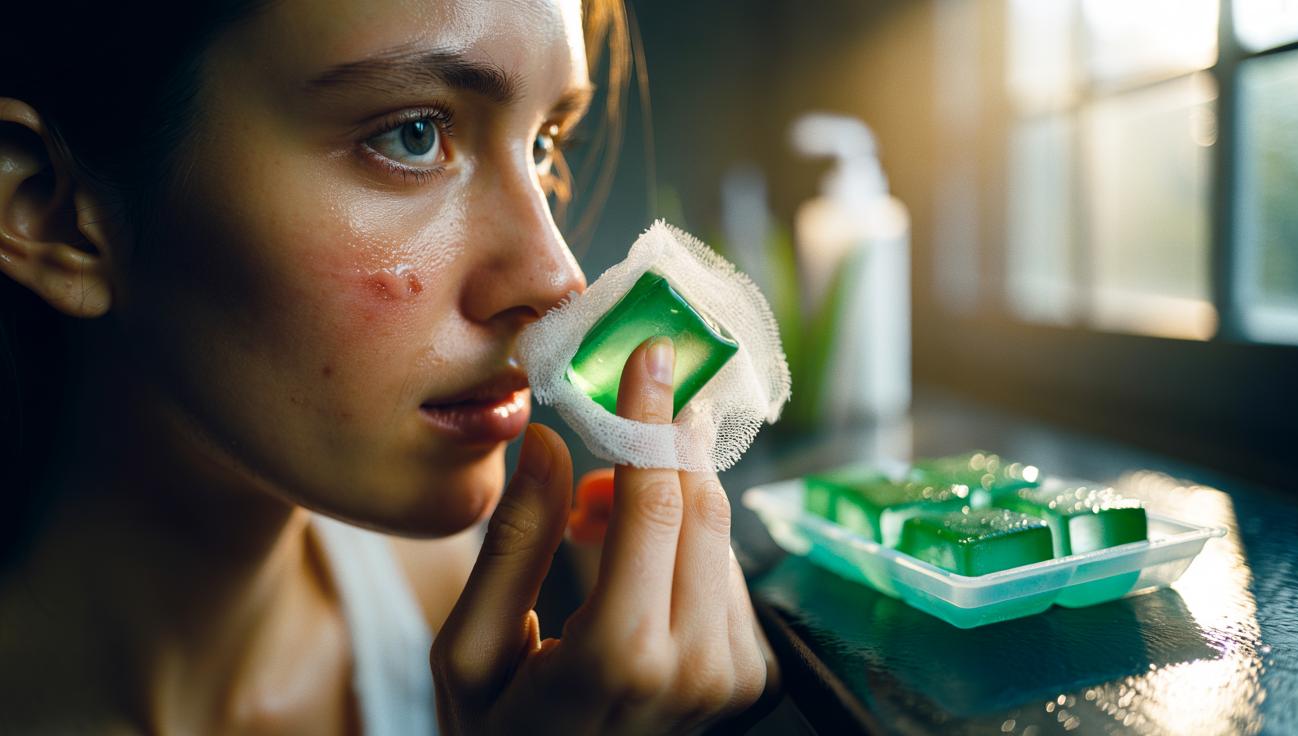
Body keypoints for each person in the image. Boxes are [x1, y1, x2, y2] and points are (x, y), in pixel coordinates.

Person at [0, 0, 776, 733]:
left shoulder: (438, 593)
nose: (558, 280)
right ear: (55, 213)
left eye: (544, 144)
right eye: (412, 134)